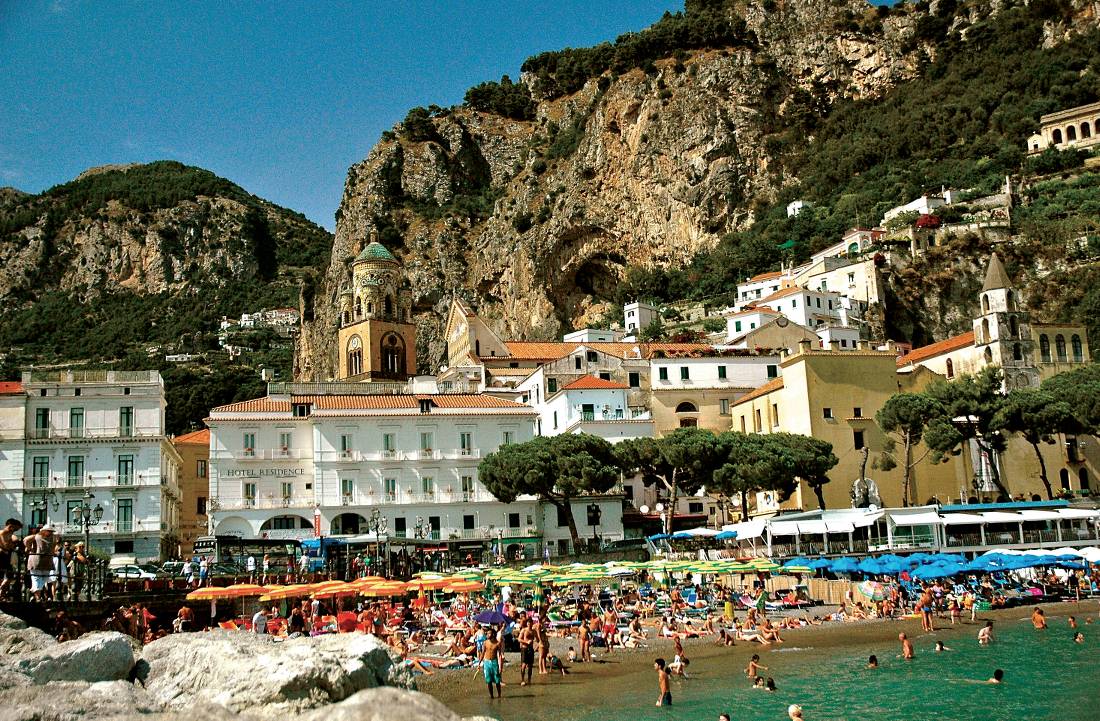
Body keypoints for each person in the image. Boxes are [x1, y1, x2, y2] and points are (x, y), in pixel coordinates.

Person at [24, 524, 56, 602]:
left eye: (51, 531)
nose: (51, 532)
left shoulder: (52, 538)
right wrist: (30, 549)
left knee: (43, 580)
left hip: (46, 563)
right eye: (49, 531)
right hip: (36, 561)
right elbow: (25, 540)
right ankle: (38, 598)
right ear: (44, 531)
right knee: (37, 579)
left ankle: (35, 595)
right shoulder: (36, 536)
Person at [0, 518, 23, 600]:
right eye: (16, 528)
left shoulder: (10, 533)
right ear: (11, 526)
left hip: (6, 556)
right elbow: (5, 545)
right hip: (2, 555)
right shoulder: (2, 533)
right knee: (2, 576)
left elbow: (11, 544)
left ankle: (1, 593)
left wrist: (12, 544)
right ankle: (1, 594)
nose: (16, 530)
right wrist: (11, 545)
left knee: (9, 576)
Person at [481, 630, 502, 699]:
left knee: (497, 680)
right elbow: (483, 652)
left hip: (494, 662)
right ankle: (491, 696)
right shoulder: (485, 642)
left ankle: (499, 695)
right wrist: (479, 662)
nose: (487, 634)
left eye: (489, 633)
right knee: (488, 680)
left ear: (493, 634)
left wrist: (500, 666)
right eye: (487, 633)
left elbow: (499, 655)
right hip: (487, 662)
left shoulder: (498, 643)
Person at [517, 618, 534, 685]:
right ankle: (522, 680)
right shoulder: (524, 630)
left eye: (530, 623)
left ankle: (529, 680)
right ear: (527, 623)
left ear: (532, 623)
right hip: (524, 649)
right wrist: (526, 642)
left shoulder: (533, 631)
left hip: (531, 649)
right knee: (523, 665)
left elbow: (536, 639)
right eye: (528, 623)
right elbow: (519, 639)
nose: (529, 624)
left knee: (530, 666)